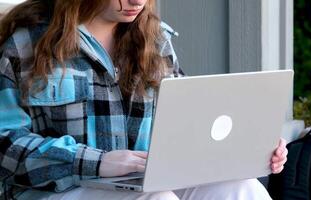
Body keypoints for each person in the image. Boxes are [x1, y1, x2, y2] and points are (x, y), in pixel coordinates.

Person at [0, 0, 288, 199]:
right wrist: (97, 163)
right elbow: (6, 143)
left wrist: (250, 148)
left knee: (241, 190)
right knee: (156, 198)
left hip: (142, 183)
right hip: (55, 190)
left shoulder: (155, 40)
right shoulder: (26, 45)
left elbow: (188, 122)